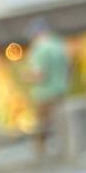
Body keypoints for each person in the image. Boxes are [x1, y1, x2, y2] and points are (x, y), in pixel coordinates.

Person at [25, 19, 70, 158]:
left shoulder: (40, 50)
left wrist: (27, 77)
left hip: (44, 95)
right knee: (60, 124)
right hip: (60, 91)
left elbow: (40, 75)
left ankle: (41, 157)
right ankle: (64, 150)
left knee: (41, 128)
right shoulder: (59, 46)